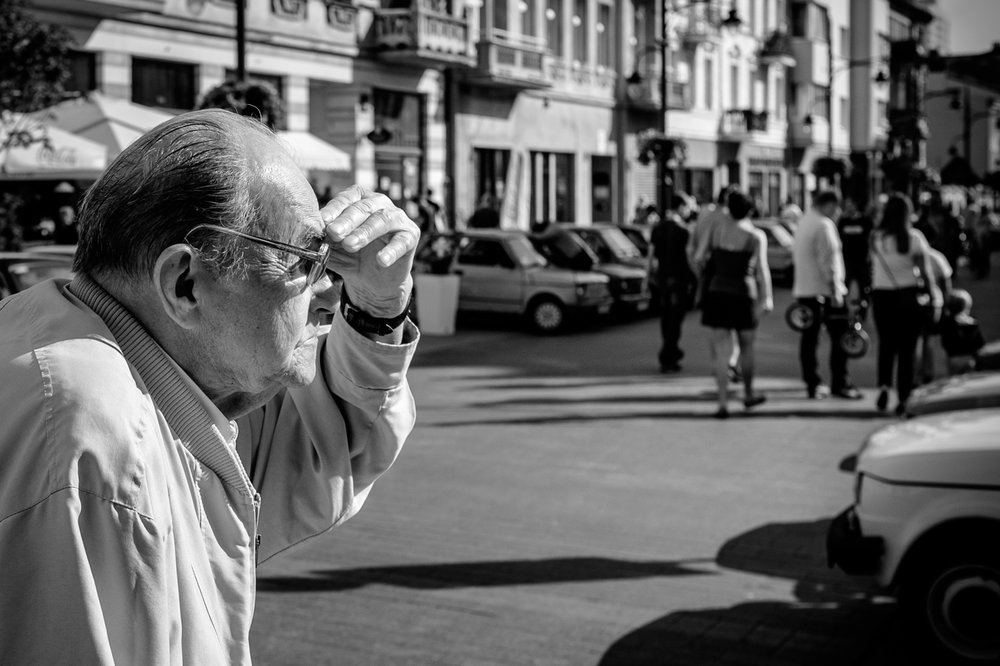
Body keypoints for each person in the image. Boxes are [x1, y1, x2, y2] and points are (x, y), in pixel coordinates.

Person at [0, 110, 420, 664]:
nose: (328, 293)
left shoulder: (136, 365)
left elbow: (331, 445)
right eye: (308, 262)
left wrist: (378, 308)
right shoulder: (97, 433)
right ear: (185, 283)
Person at [699, 189, 773, 418]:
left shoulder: (717, 229)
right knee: (747, 347)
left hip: (718, 292)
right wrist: (766, 297)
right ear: (750, 210)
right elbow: (761, 269)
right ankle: (748, 394)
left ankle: (722, 403)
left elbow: (700, 256)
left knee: (721, 352)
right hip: (744, 292)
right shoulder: (755, 235)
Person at [869, 192, 935, 415]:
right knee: (907, 349)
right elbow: (926, 272)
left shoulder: (876, 238)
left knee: (886, 345)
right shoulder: (914, 238)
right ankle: (904, 396)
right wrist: (934, 296)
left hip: (881, 297)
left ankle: (884, 387)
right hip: (907, 296)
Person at [792, 189, 861, 400]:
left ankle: (812, 382)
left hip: (805, 290)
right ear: (829, 204)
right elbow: (828, 260)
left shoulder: (804, 221)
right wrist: (835, 289)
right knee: (840, 336)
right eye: (836, 207)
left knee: (809, 339)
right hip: (824, 291)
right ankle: (840, 382)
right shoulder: (824, 224)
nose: (838, 212)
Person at [689, 184, 742, 382]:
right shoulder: (728, 220)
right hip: (729, 276)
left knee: (714, 326)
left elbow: (694, 252)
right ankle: (731, 364)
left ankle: (718, 365)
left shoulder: (704, 214)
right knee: (735, 326)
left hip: (709, 276)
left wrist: (699, 275)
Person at [650, 194, 697, 372]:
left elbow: (651, 256)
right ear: (680, 207)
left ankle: (670, 353)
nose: (687, 211)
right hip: (679, 279)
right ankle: (668, 355)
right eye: (686, 208)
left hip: (663, 279)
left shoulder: (658, 228)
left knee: (666, 317)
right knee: (676, 319)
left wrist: (648, 277)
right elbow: (689, 258)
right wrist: (696, 277)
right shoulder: (683, 230)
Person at [916, 246, 952, 384]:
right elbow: (946, 284)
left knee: (917, 340)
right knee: (928, 339)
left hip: (916, 301)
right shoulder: (937, 257)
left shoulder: (909, 255)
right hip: (934, 302)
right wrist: (947, 304)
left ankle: (916, 374)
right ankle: (927, 372)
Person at [836, 196, 873, 319]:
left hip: (862, 260)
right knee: (844, 286)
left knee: (864, 288)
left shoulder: (865, 221)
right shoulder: (843, 221)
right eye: (846, 204)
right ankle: (843, 310)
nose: (848, 207)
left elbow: (871, 238)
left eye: (850, 204)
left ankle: (863, 312)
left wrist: (870, 255)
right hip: (846, 260)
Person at [940, 288, 986, 375]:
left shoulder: (946, 323)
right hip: (970, 358)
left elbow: (944, 343)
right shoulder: (972, 323)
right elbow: (980, 343)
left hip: (953, 359)